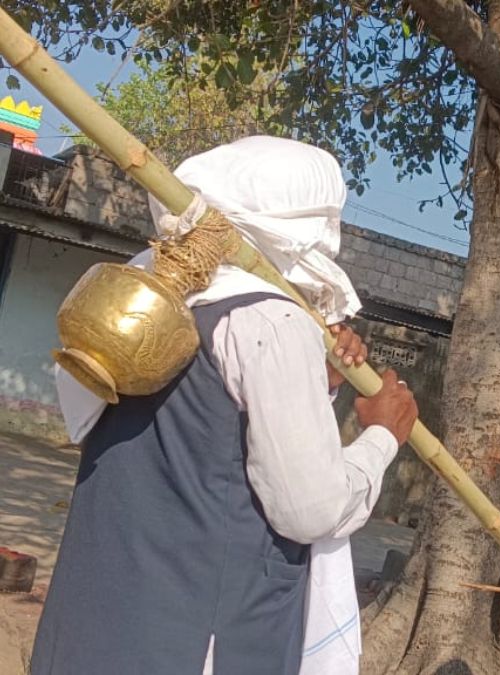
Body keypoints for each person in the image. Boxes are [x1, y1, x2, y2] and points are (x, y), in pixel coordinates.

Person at [31, 136, 418, 675]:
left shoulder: (132, 288)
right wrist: (382, 436)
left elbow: (199, 431)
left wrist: (319, 385)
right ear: (303, 223)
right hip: (198, 637)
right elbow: (311, 508)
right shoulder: (272, 321)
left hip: (95, 617)